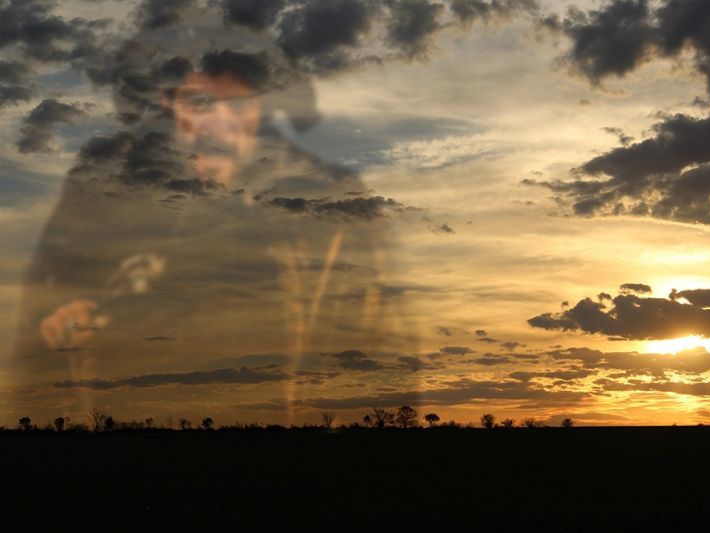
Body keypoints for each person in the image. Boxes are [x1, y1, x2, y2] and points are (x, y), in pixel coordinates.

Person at [10, 9, 417, 425]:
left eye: (235, 107)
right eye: (198, 105)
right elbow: (50, 312)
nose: (217, 127)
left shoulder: (334, 198)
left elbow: (384, 330)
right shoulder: (95, 197)